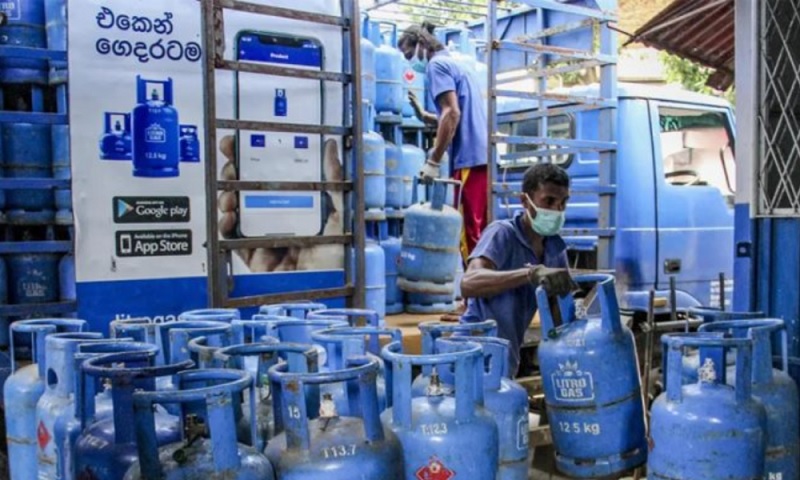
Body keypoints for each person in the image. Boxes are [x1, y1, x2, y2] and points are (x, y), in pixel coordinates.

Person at [459, 163, 578, 375]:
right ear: (524, 201)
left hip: (507, 357)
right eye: (549, 201)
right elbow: (469, 283)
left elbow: (558, 314)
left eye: (563, 203)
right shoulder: (502, 233)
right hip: (472, 352)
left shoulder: (555, 248)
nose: (557, 210)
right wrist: (530, 274)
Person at [398, 22, 488, 263]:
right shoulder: (456, 64)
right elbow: (455, 114)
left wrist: (433, 160)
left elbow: (452, 113)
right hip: (482, 156)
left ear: (421, 44)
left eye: (408, 54)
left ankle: (475, 286)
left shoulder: (436, 65)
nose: (410, 62)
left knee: (469, 235)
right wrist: (425, 115)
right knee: (482, 231)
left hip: (469, 158)